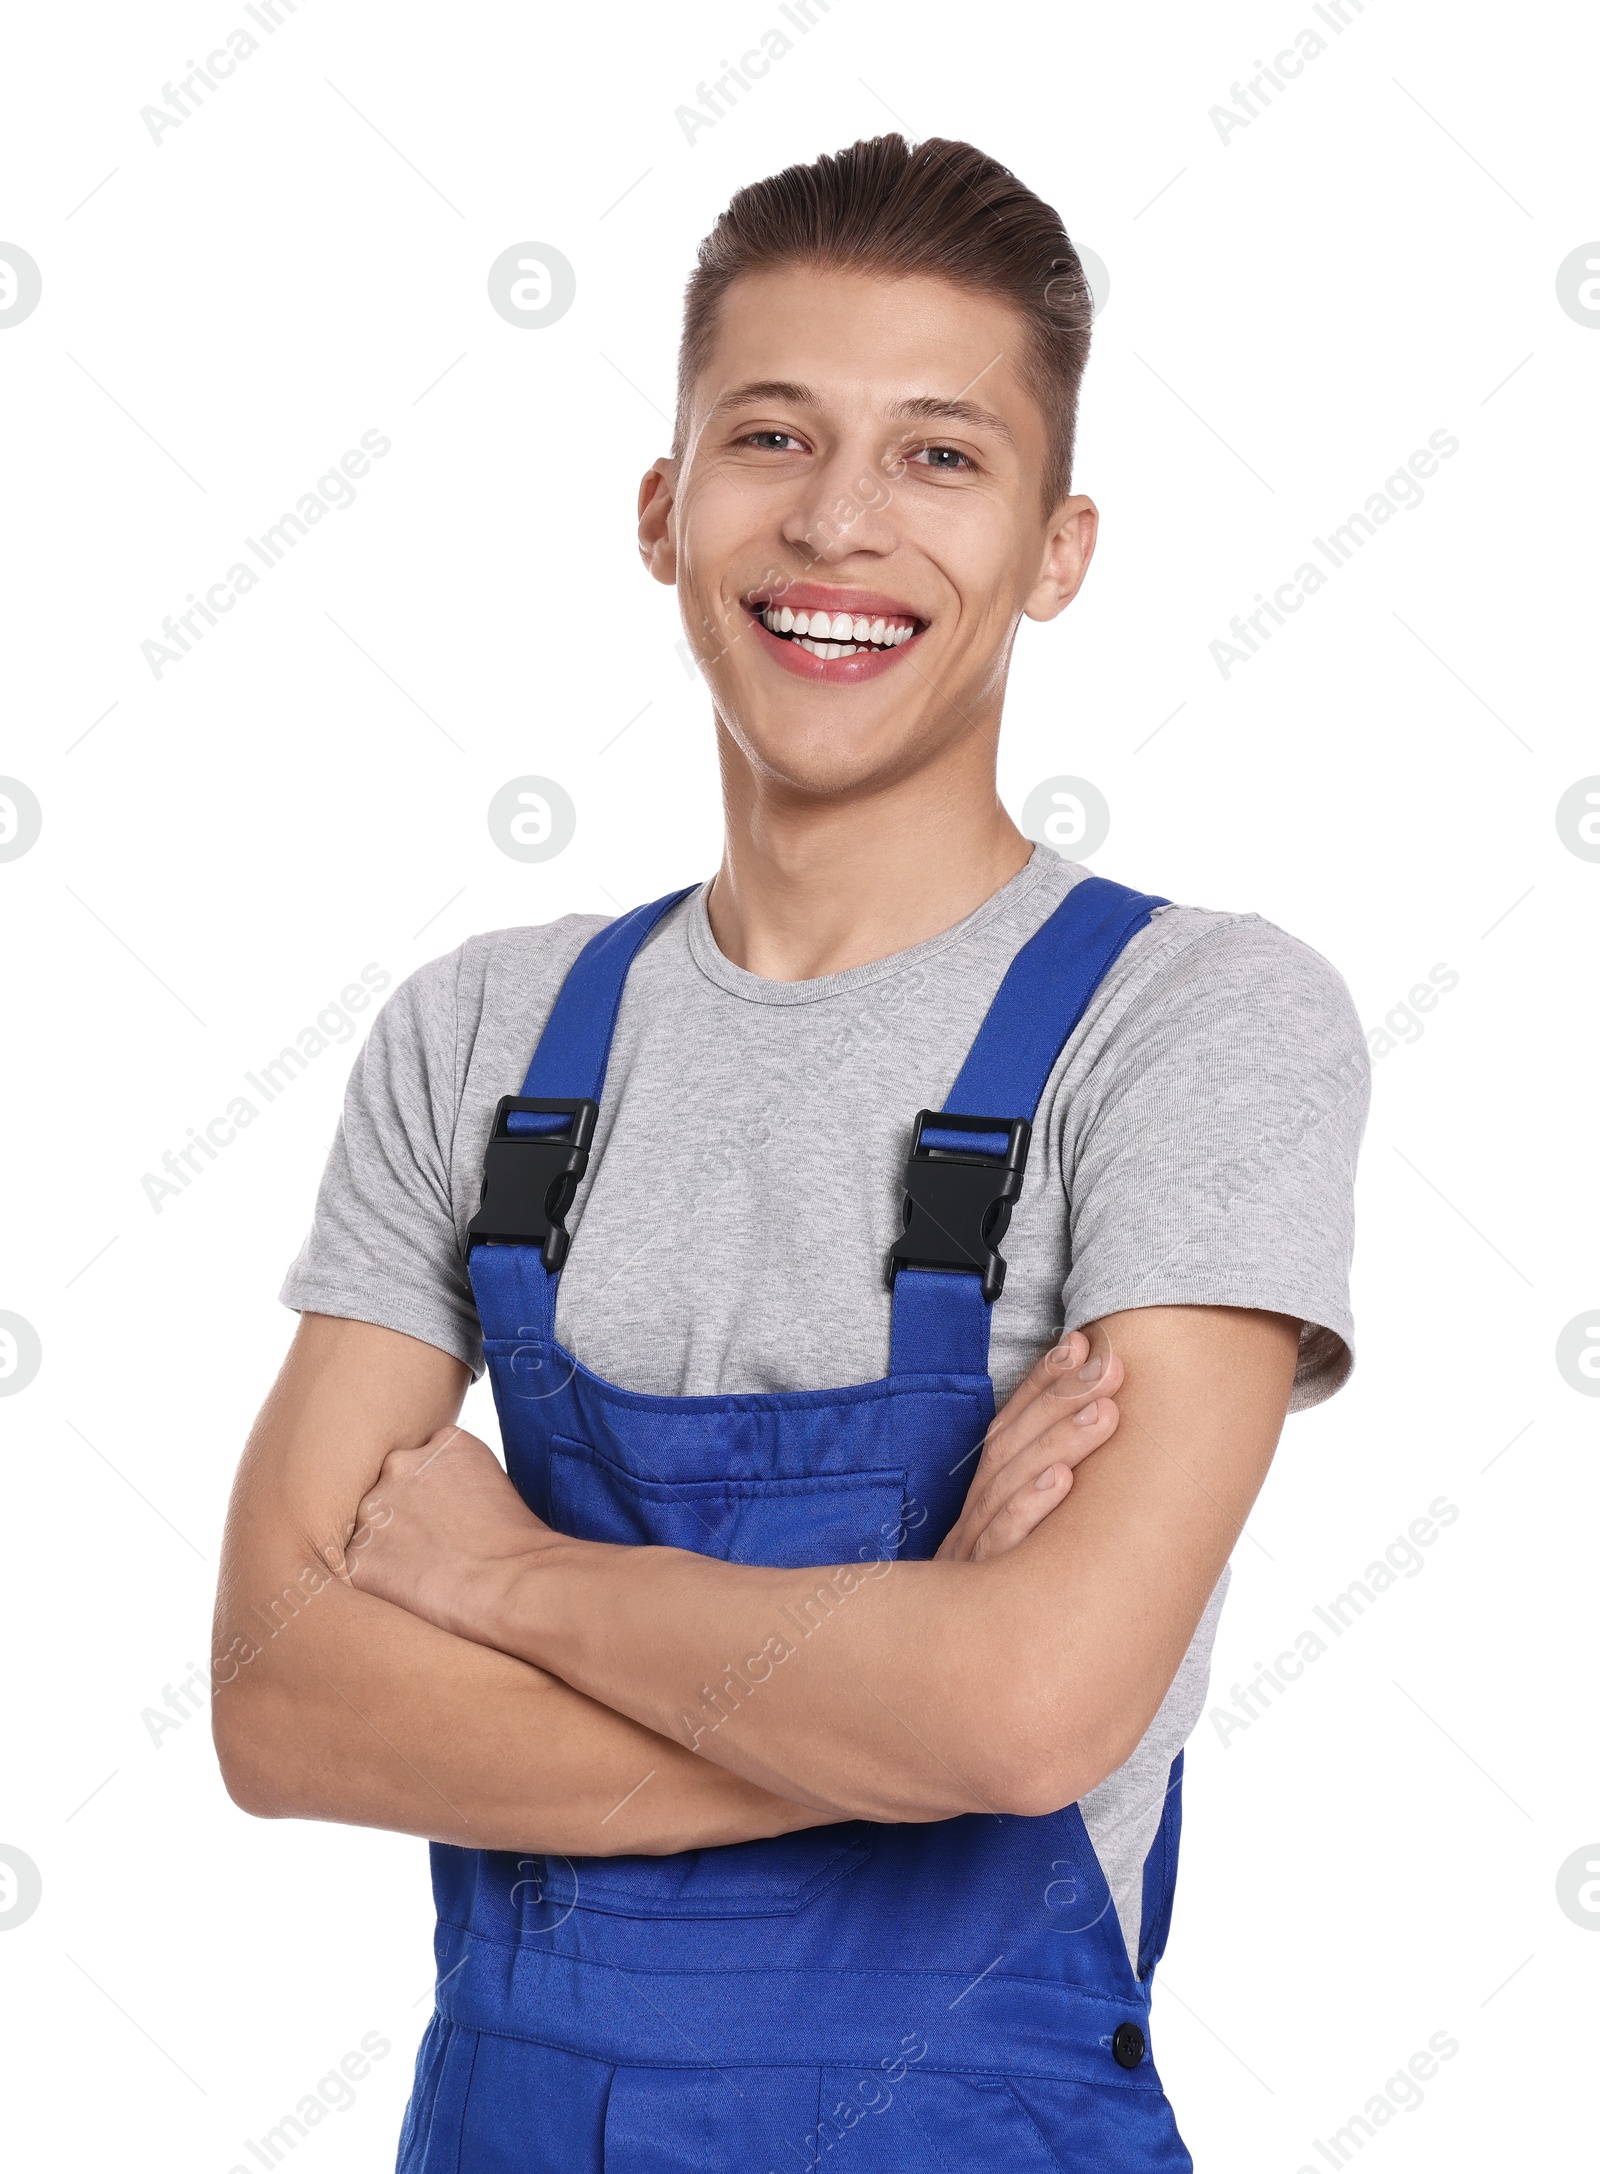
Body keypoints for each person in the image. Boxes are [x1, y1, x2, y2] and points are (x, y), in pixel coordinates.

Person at [213, 133, 1369, 2171]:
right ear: (662, 512)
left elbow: (1032, 1715)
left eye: (939, 456)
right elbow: (282, 1707)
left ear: (1056, 543)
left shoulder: (1192, 1025)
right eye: (769, 436)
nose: (837, 522)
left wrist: (509, 1579)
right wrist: (904, 1678)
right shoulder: (479, 1039)